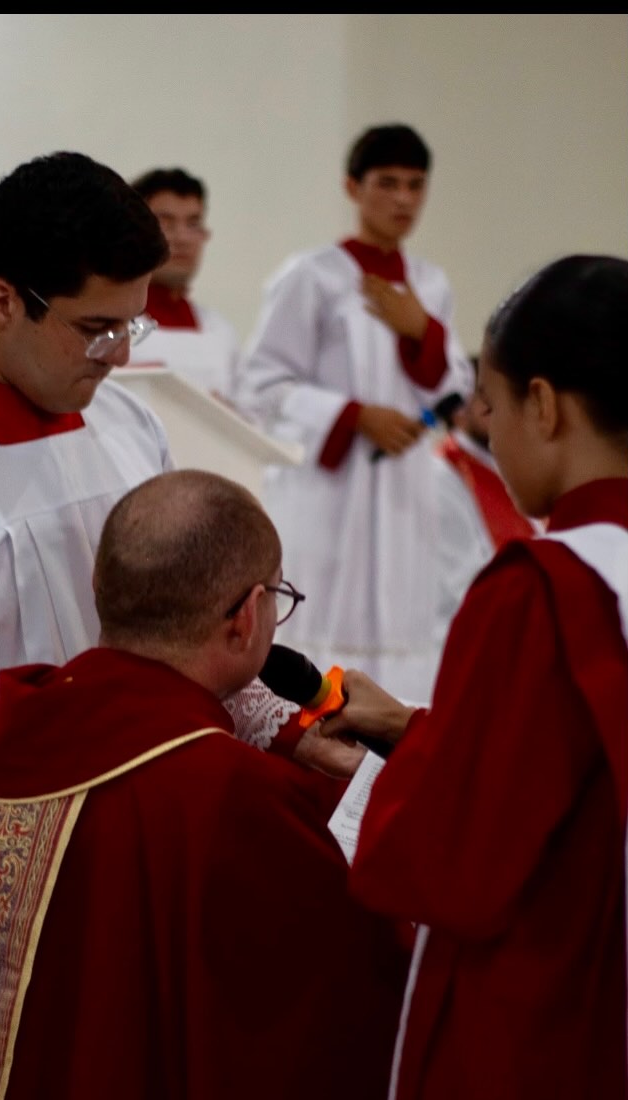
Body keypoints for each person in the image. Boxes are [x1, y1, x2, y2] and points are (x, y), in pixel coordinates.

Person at [0, 151, 362, 1099]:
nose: (118, 355)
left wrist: (281, 726)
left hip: (99, 860)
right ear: (2, 300)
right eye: (95, 329)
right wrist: (108, 722)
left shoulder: (125, 427)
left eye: (130, 325)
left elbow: (168, 634)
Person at [0, 468, 411, 1100]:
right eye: (277, 598)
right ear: (245, 618)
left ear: (100, 588)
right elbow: (347, 1001)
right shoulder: (229, 795)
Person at [335, 253, 628, 1100]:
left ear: (543, 405)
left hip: (548, 1004)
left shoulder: (544, 590)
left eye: (489, 407)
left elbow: (445, 865)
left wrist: (395, 776)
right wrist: (419, 731)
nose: (487, 435)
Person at [236, 123, 474, 703]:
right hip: (331, 490)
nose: (403, 199)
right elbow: (260, 384)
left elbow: (458, 386)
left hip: (404, 488)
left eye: (415, 185)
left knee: (405, 625)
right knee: (324, 623)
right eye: (387, 183)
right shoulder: (312, 275)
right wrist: (353, 415)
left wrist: (422, 332)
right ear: (352, 187)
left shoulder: (430, 284)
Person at [432, 355, 540, 647]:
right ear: (458, 411)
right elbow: (464, 582)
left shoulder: (512, 464)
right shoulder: (441, 474)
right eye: (482, 396)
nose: (494, 407)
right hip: (477, 635)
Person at [127, 166, 242, 404]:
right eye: (165, 223)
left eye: (193, 224)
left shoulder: (220, 332)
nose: (182, 238)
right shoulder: (107, 326)